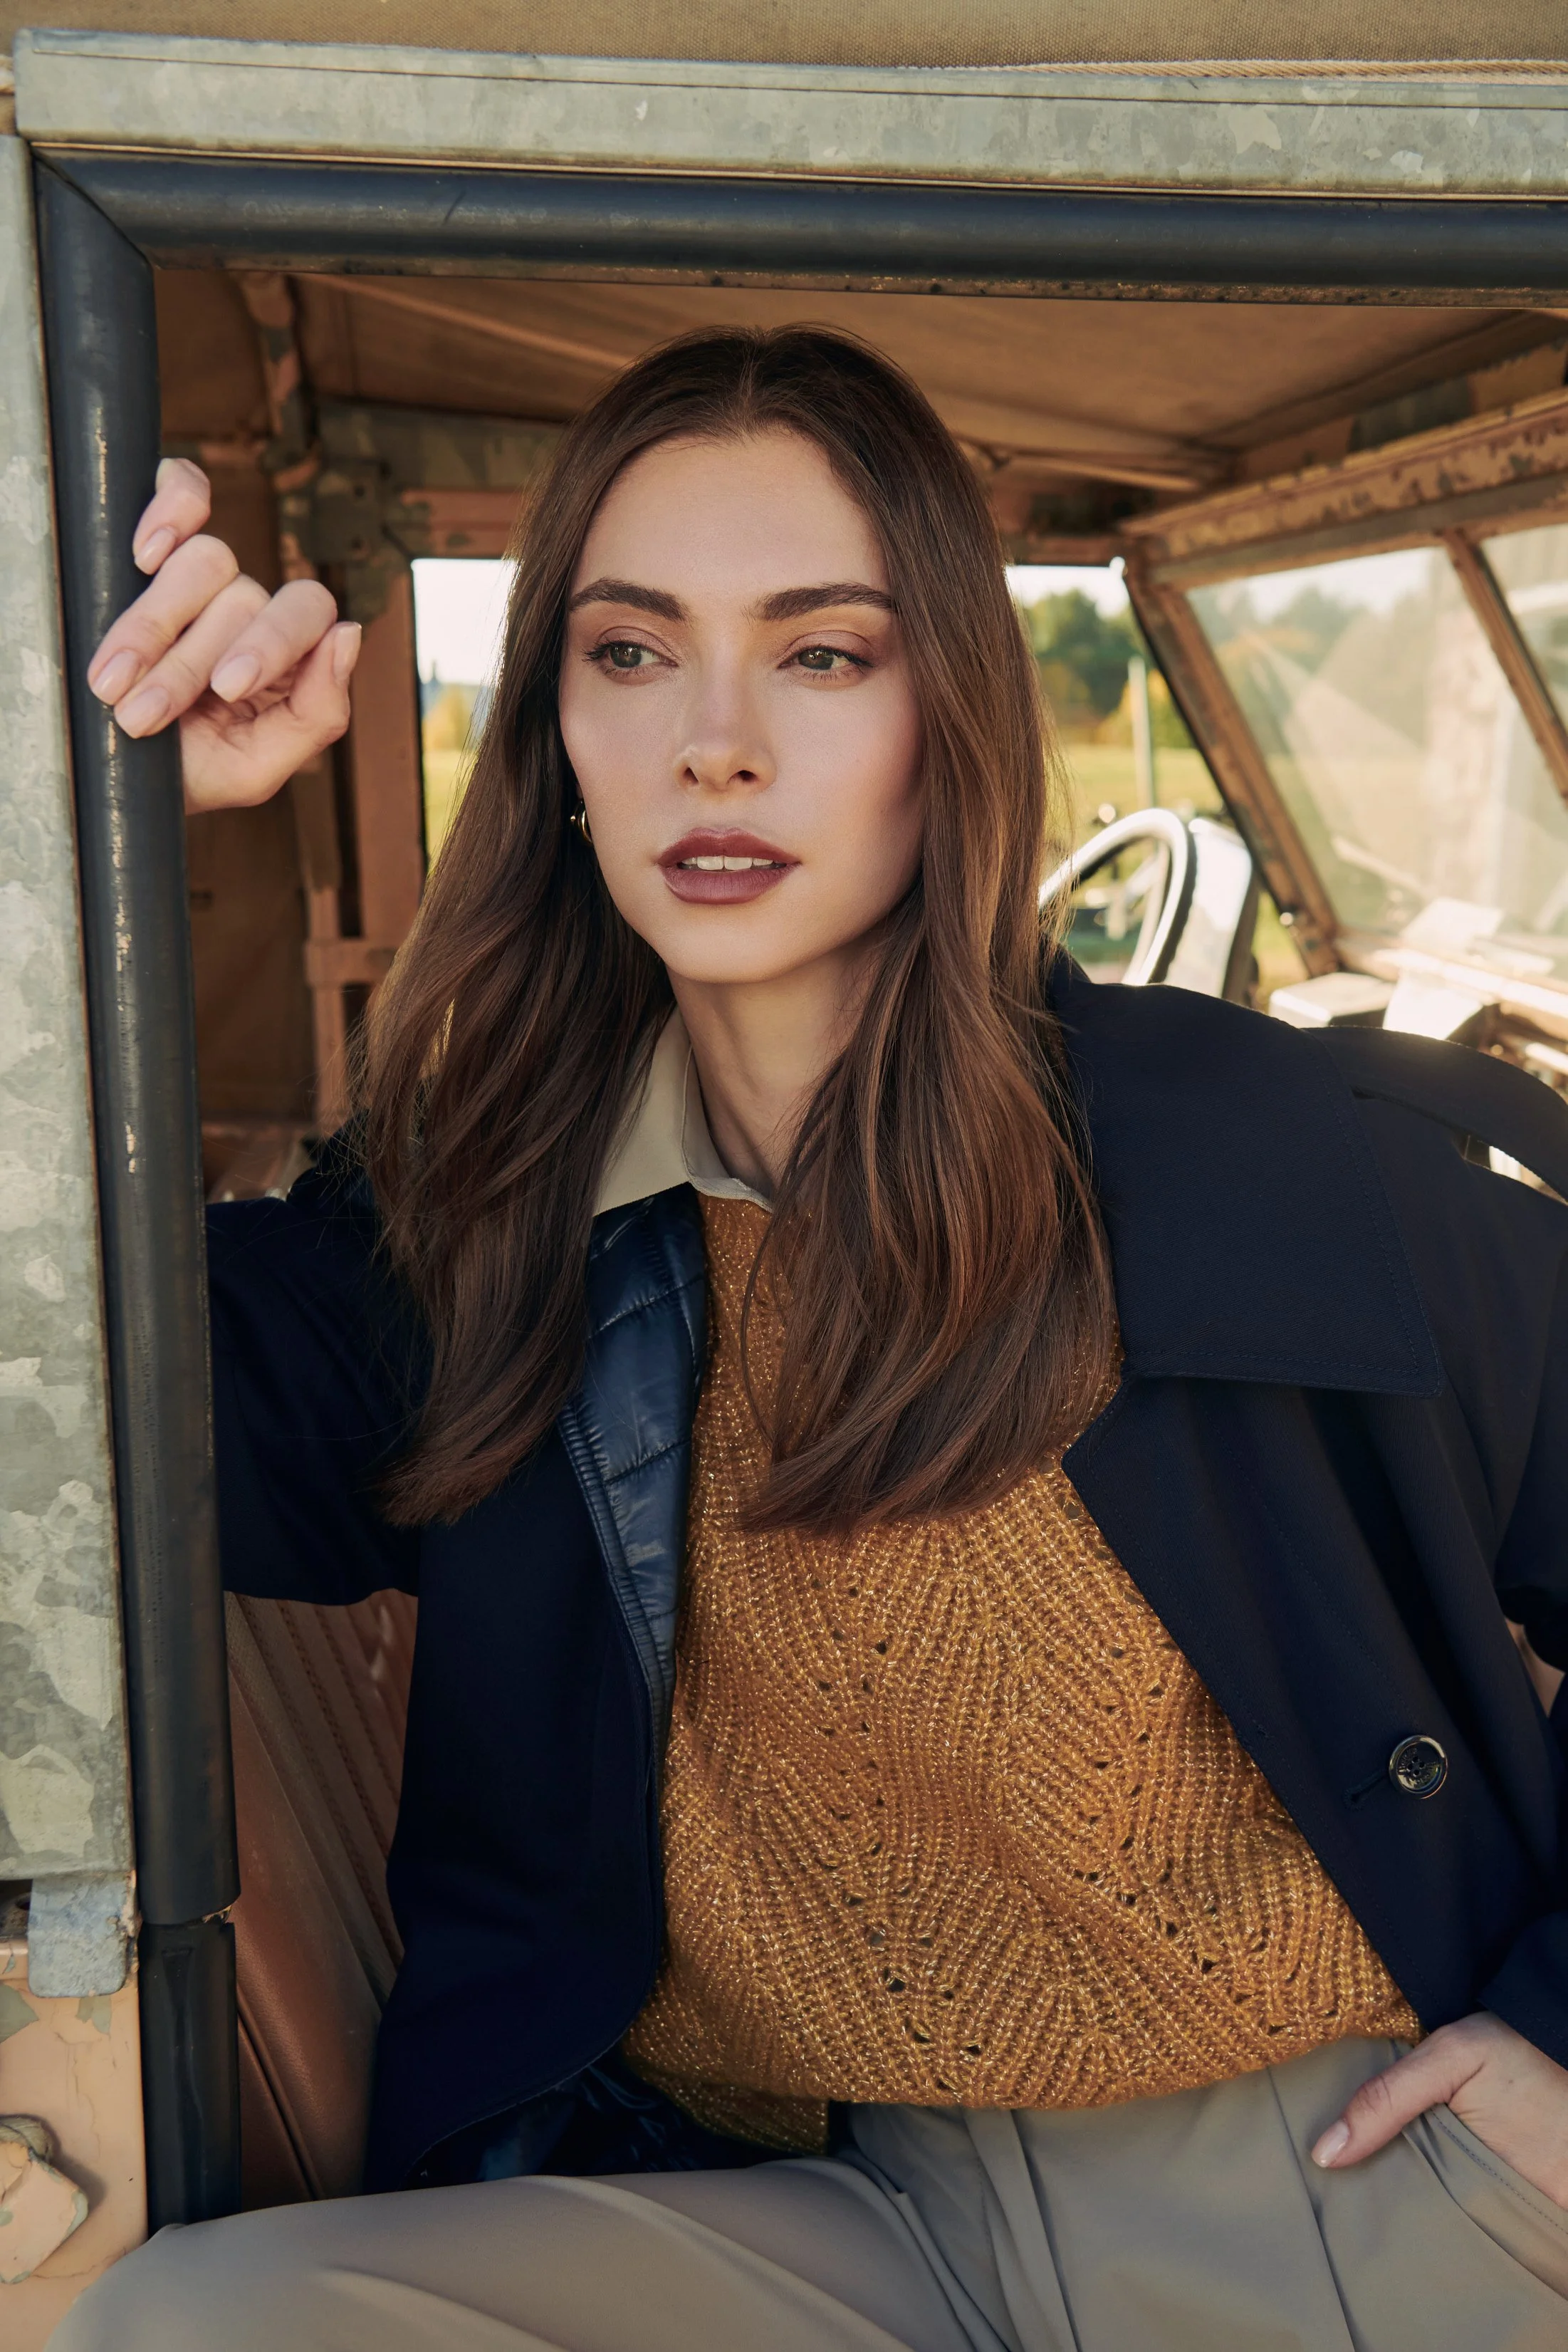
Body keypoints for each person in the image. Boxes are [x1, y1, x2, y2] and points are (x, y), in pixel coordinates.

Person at [52, 327, 1568, 2352]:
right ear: (555, 733)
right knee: (182, 2331)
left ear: (953, 709)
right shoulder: (480, 1239)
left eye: (825, 652)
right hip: (840, 2218)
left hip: (1357, 2177)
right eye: (631, 650)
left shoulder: (1312, 1163)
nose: (719, 743)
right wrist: (84, 829)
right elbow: (66, 1405)